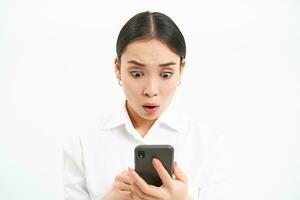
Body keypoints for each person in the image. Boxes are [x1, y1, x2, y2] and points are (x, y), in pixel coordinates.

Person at [64, 11, 226, 200]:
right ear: (118, 68)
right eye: (137, 73)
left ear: (181, 70)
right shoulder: (83, 142)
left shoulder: (206, 143)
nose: (151, 90)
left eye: (165, 74)